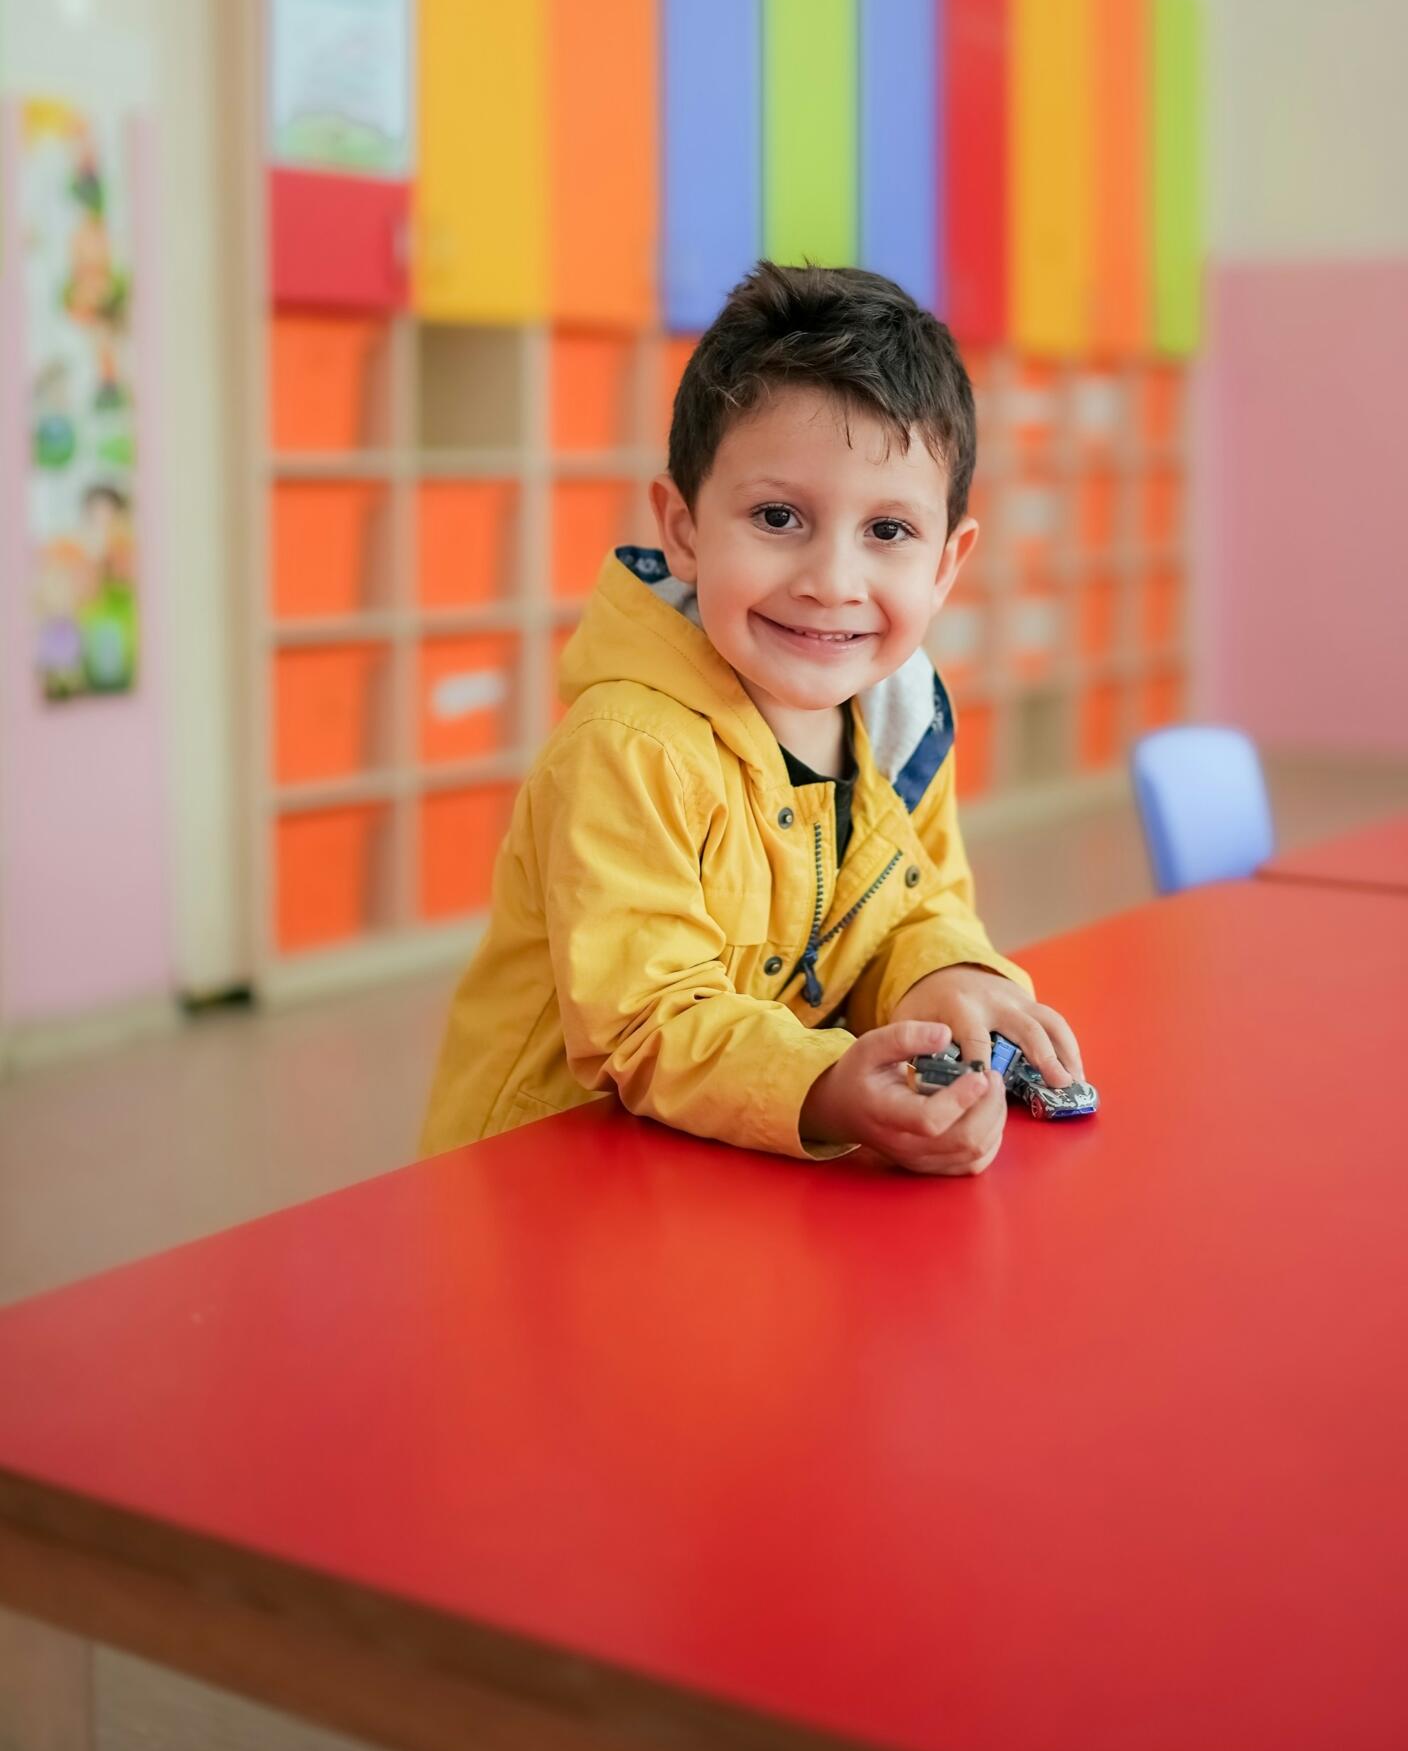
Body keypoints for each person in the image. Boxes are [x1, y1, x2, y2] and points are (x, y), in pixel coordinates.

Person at [422, 261, 1083, 1175]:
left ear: (944, 563)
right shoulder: (627, 749)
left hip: (724, 1166)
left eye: (887, 531)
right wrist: (827, 1087)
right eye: (778, 517)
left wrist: (947, 977)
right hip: (546, 1180)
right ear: (684, 529)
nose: (832, 582)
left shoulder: (903, 723)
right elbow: (647, 1023)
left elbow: (914, 909)